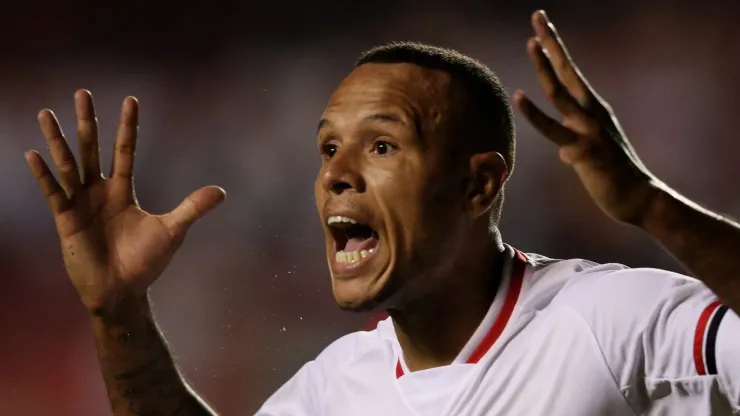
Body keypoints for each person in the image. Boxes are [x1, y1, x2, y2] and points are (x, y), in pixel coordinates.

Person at [24, 10, 740, 416]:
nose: (335, 174)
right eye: (328, 147)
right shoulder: (337, 387)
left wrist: (651, 206)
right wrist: (118, 312)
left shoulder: (606, 322)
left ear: (479, 186)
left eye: (383, 145)